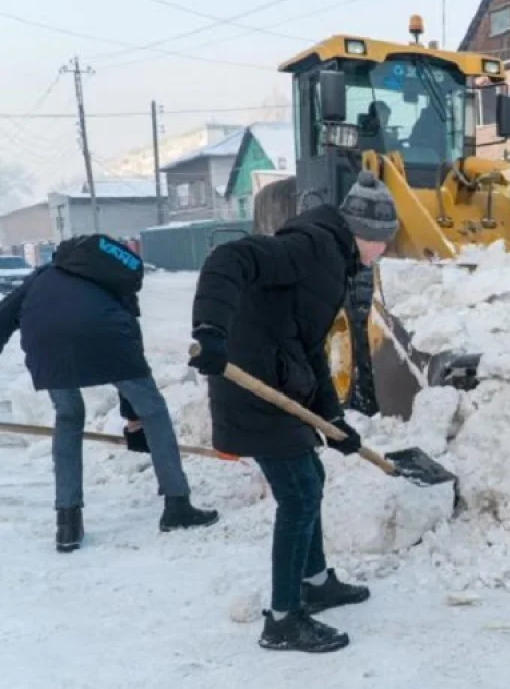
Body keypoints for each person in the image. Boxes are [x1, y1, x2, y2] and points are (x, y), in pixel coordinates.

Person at [188, 170, 397, 654]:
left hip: (279, 379)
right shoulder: (311, 248)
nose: (383, 252)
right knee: (299, 495)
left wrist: (333, 419)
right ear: (369, 236)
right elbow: (229, 257)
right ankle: (283, 618)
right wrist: (210, 330)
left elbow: (310, 349)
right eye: (384, 242)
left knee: (311, 479)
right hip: (253, 387)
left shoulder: (332, 260)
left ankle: (315, 580)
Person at [0, 235, 219, 553]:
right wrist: (134, 414)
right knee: (154, 411)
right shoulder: (113, 282)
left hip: (46, 347)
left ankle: (68, 523)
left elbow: (4, 316)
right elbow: (131, 339)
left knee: (68, 416)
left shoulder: (43, 275)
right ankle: (177, 505)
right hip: (109, 340)